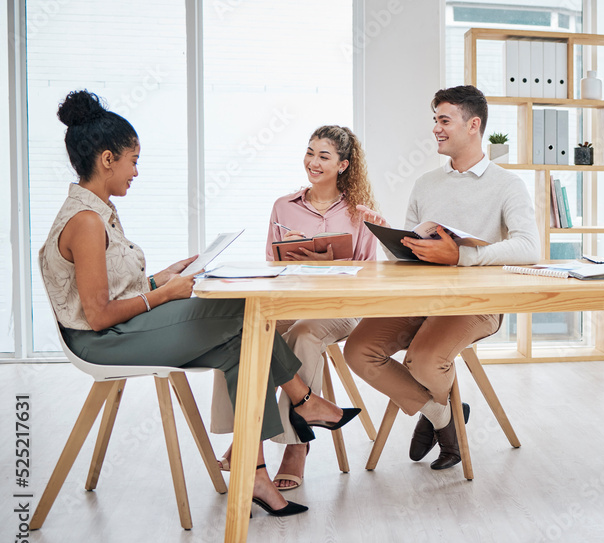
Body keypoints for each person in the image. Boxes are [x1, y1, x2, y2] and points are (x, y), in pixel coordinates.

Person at [40, 90, 359, 517]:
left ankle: (255, 473)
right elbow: (97, 316)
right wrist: (164, 294)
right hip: (103, 341)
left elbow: (110, 290)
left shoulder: (100, 212)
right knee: (246, 312)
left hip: (121, 329)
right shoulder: (85, 220)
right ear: (107, 159)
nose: (137, 171)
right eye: (133, 160)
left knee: (240, 348)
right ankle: (304, 400)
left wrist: (161, 277)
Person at [344, 85, 539, 470]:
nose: (436, 128)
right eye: (435, 120)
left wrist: (462, 256)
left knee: (426, 359)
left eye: (444, 120)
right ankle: (442, 416)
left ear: (473, 125)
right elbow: (412, 254)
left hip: (476, 306)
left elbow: (529, 248)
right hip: (420, 300)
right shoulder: (426, 185)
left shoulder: (507, 185)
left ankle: (440, 421)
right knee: (358, 350)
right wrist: (388, 237)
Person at [211, 125, 383, 490]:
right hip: (291, 301)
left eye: (324, 156)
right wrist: (288, 255)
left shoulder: (361, 214)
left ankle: (296, 446)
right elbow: (269, 269)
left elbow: (370, 277)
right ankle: (248, 438)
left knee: (305, 332)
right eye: (310, 152)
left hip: (341, 308)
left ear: (343, 165)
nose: (313, 162)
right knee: (241, 334)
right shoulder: (282, 207)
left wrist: (334, 260)